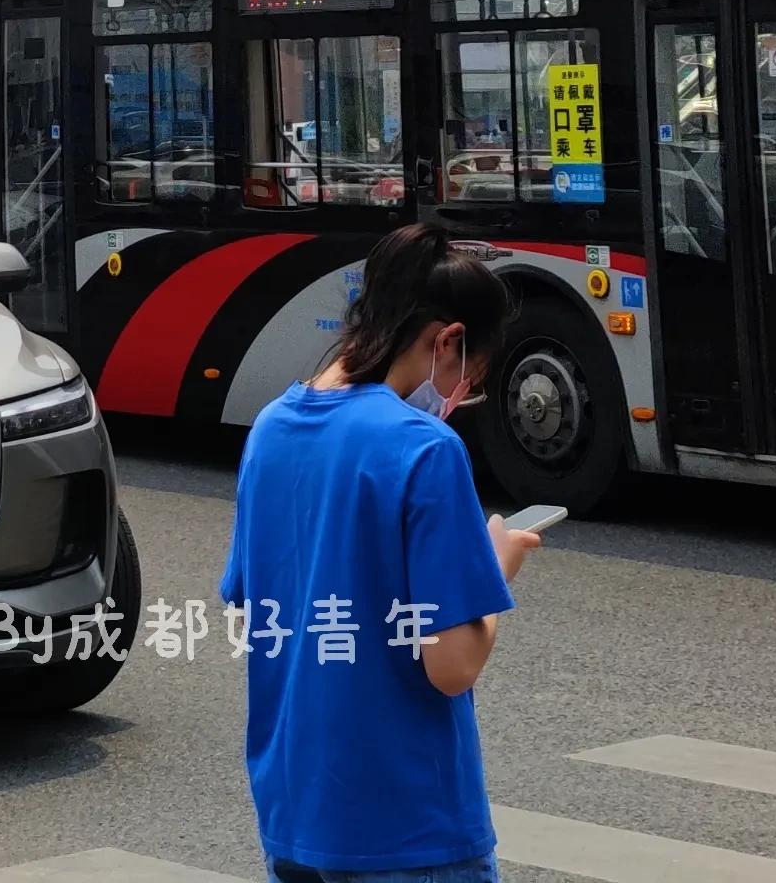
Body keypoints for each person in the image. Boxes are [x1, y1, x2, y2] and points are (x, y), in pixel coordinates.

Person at [221, 224, 540, 883]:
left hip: (294, 817)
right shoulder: (423, 448)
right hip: (408, 831)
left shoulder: (271, 430)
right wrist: (494, 569)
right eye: (466, 380)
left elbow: (263, 611)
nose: (456, 399)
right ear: (446, 340)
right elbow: (450, 665)